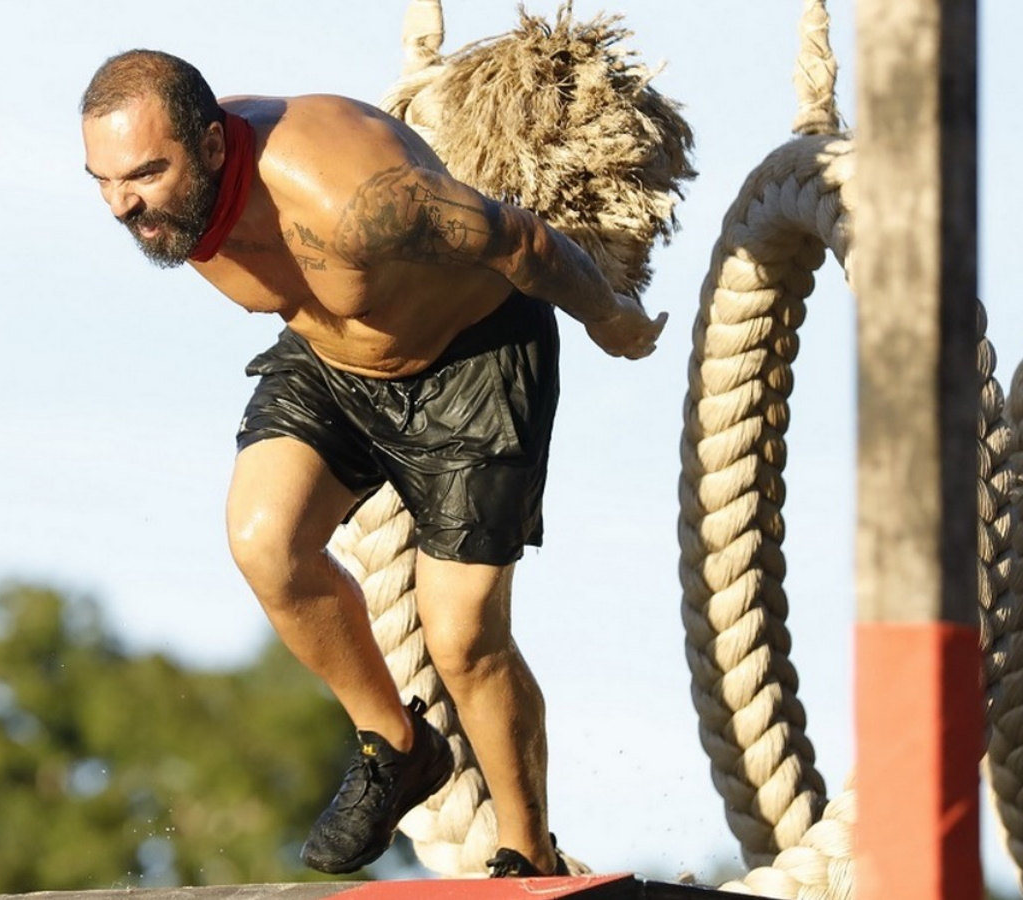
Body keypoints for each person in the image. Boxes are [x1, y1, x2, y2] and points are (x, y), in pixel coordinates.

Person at [80, 49, 666, 878]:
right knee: (263, 541)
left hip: (473, 367)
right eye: (100, 180)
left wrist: (611, 318)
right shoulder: (176, 202)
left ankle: (527, 853)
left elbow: (519, 238)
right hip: (330, 365)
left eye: (142, 174)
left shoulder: (355, 196)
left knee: (461, 636)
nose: (120, 203)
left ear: (213, 146)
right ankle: (398, 748)